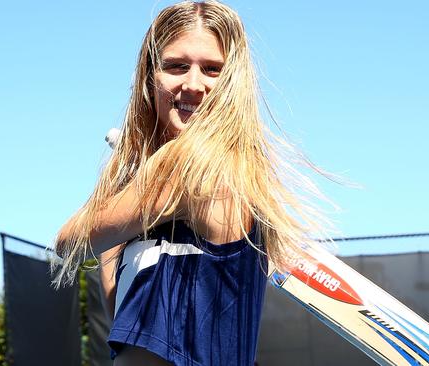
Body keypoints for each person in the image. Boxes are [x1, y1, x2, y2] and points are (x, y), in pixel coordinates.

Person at [53, 1, 337, 365]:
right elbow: (121, 316)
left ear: (233, 80)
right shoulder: (192, 186)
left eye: (212, 69)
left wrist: (122, 182)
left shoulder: (188, 169)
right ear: (150, 76)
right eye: (176, 66)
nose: (193, 84)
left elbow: (68, 241)